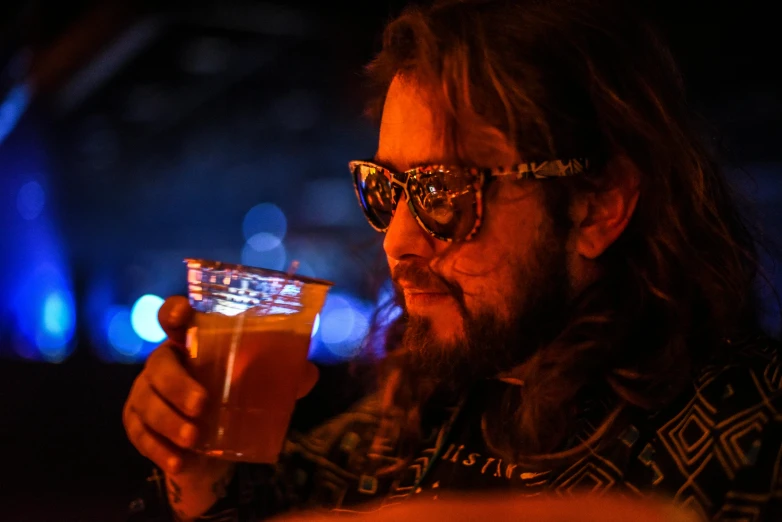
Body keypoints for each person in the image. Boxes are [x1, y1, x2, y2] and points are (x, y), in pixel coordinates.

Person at [123, 0, 782, 520]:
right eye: (386, 190)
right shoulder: (419, 413)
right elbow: (267, 502)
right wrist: (201, 478)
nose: (397, 241)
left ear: (598, 206)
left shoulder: (753, 442)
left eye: (444, 191)